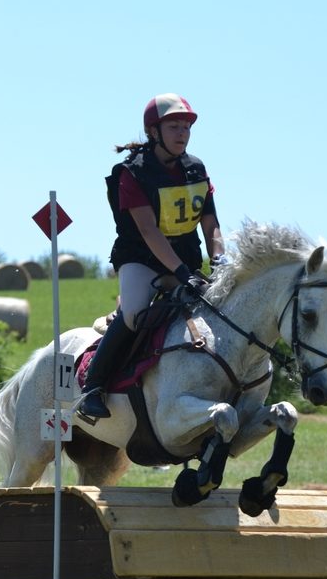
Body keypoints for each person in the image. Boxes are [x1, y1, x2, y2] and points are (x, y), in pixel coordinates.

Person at [77, 92, 227, 420]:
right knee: (134, 313)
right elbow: (149, 231)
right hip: (141, 258)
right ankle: (93, 385)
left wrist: (220, 262)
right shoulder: (133, 171)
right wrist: (182, 271)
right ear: (154, 132)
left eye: (186, 127)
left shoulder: (196, 169)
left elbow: (211, 225)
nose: (182, 133)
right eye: (174, 126)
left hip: (184, 261)